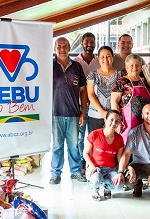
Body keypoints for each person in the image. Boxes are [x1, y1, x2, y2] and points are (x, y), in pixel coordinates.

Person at [50, 37, 88, 185]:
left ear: (70, 48)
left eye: (65, 46)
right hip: (55, 113)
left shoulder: (77, 66)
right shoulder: (50, 66)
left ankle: (76, 171)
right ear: (54, 49)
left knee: (74, 145)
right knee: (57, 146)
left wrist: (83, 112)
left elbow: (83, 90)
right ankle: (55, 173)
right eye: (59, 46)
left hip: (74, 113)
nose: (62, 49)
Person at [83, 110, 124, 201]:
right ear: (105, 120)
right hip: (96, 167)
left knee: (119, 185)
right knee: (96, 179)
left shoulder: (119, 138)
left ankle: (107, 187)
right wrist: (92, 167)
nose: (113, 123)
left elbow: (120, 157)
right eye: (111, 120)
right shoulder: (95, 134)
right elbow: (85, 153)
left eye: (117, 121)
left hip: (110, 169)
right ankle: (95, 190)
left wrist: (120, 172)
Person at [111, 54, 150, 143]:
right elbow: (114, 102)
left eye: (137, 65)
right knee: (126, 148)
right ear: (126, 68)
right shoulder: (121, 81)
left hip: (145, 122)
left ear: (141, 67)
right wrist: (117, 121)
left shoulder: (145, 81)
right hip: (126, 123)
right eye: (132, 65)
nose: (135, 67)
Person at [74, 32, 100, 173]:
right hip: (79, 106)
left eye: (92, 42)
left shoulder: (98, 61)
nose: (90, 44)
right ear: (82, 43)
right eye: (87, 42)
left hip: (96, 107)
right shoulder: (75, 62)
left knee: (94, 137)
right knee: (79, 138)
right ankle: (80, 164)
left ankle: (92, 162)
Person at [86, 46, 122, 133]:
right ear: (98, 58)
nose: (105, 59)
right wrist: (102, 112)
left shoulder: (120, 74)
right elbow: (90, 94)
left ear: (112, 58)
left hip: (114, 118)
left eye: (108, 56)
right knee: (96, 143)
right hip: (96, 115)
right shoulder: (93, 74)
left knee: (112, 143)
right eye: (102, 56)